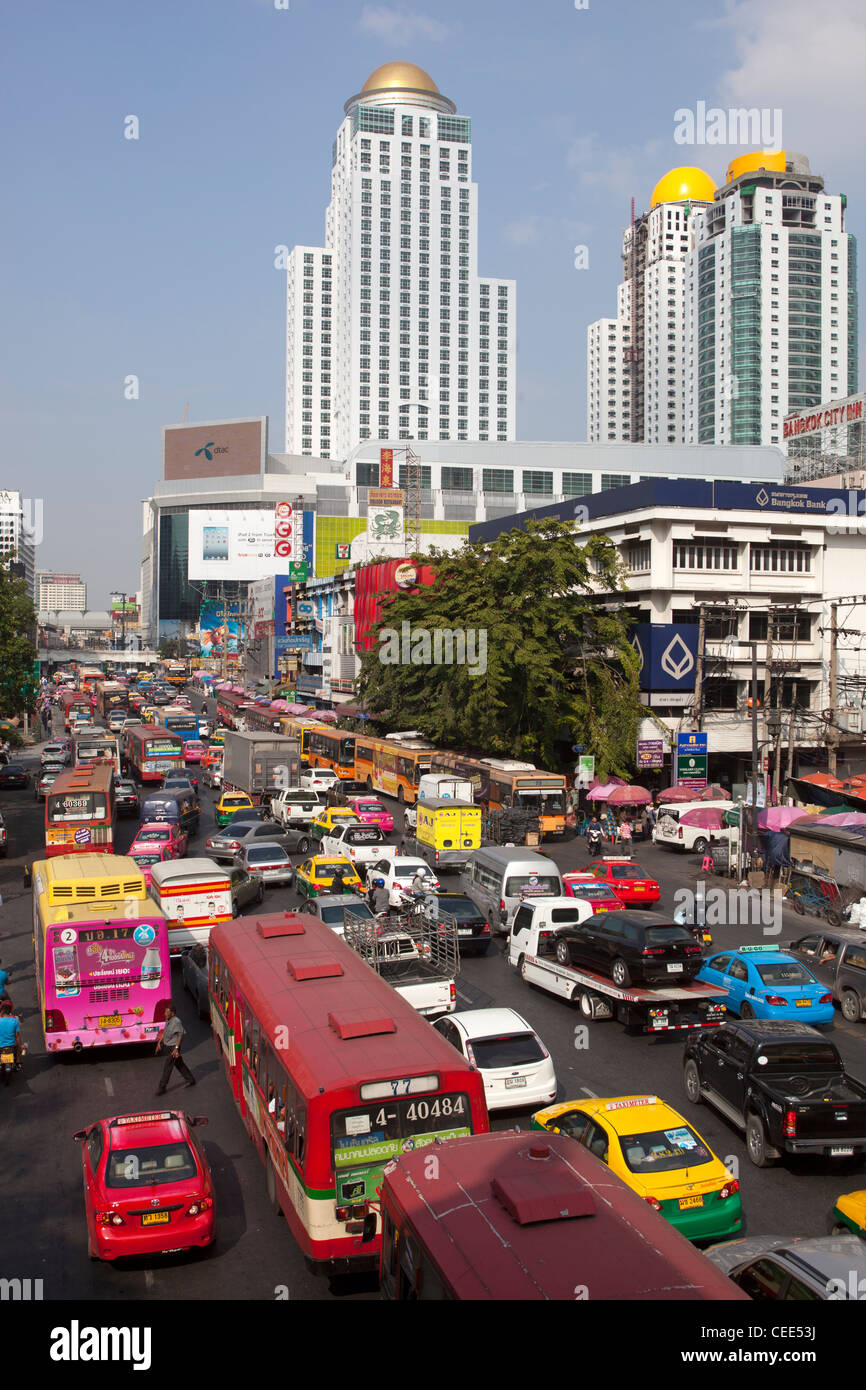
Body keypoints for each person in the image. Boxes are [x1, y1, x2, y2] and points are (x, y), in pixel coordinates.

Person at [154, 1004, 196, 1094]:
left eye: (167, 1012)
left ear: (172, 1013)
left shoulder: (177, 1021)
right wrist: (159, 1042)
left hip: (173, 1047)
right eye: (165, 1011)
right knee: (179, 1063)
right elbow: (165, 1031)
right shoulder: (168, 1019)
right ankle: (191, 1079)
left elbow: (180, 1036)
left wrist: (176, 1049)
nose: (165, 1013)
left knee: (167, 1066)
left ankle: (162, 1087)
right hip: (168, 1046)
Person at [0, 1001, 22, 1068]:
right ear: (10, 1010)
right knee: (18, 1043)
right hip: (12, 1045)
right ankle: (18, 1059)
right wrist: (20, 1045)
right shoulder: (14, 1021)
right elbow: (17, 1036)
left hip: (1, 1046)